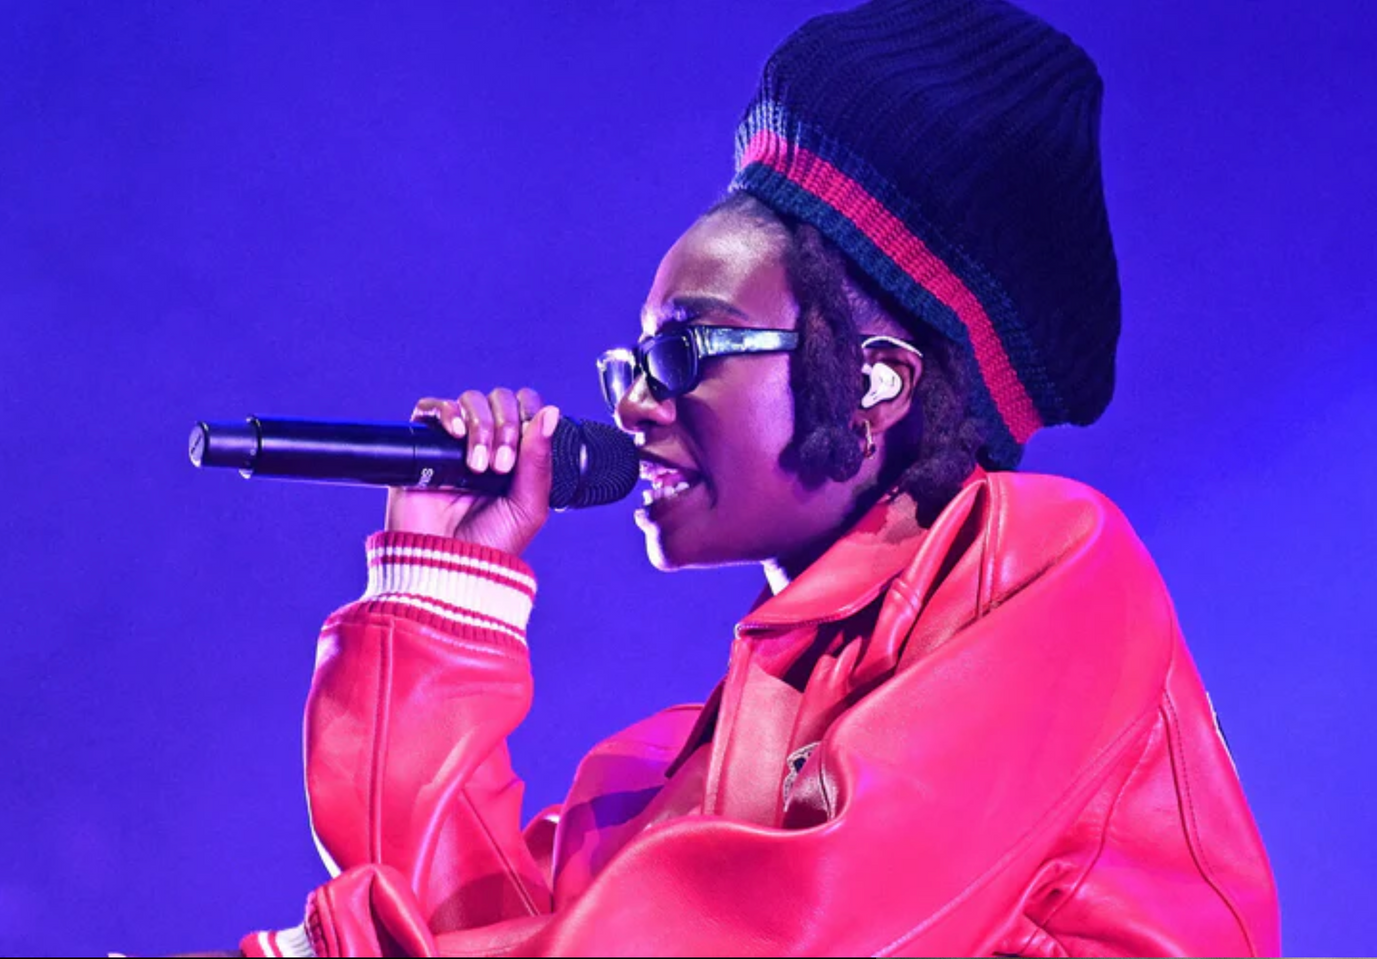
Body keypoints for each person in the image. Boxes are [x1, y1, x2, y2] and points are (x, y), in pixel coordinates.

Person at [225, 0, 1280, 955]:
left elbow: (793, 933)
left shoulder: (1055, 570)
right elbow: (470, 923)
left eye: (687, 350)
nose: (636, 398)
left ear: (876, 381)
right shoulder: (691, 771)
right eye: (634, 361)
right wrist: (442, 587)